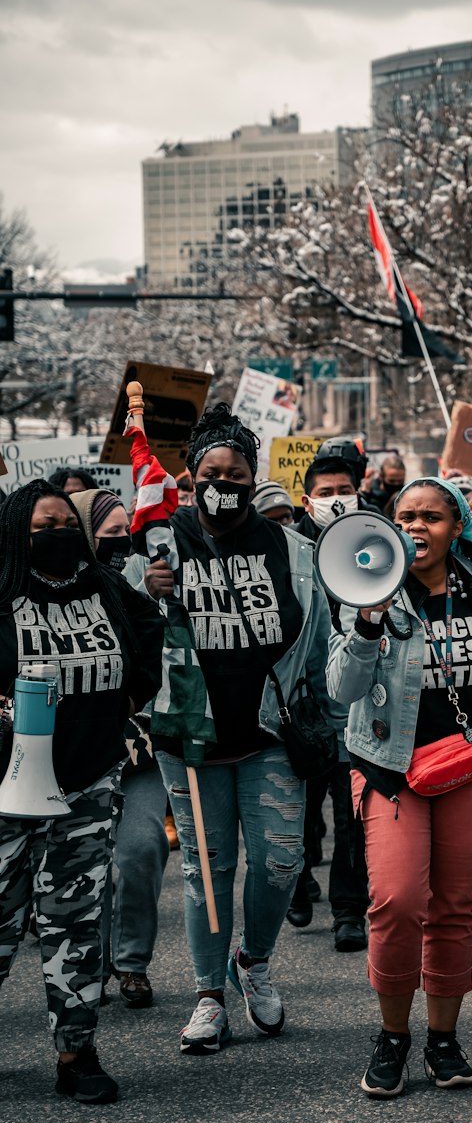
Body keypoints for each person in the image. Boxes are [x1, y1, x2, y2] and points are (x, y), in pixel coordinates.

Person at [327, 476, 472, 1098]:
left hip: (469, 766)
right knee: (398, 901)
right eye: (405, 516)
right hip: (391, 767)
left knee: (453, 908)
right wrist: (369, 624)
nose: (416, 527)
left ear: (456, 526)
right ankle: (392, 1037)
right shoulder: (365, 589)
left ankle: (441, 1039)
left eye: (432, 517)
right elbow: (341, 689)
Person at [141, 404, 336, 1055]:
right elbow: (129, 626)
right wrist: (147, 589)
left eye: (237, 473)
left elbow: (318, 641)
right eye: (211, 473)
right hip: (190, 740)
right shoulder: (161, 543)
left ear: (254, 479)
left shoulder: (291, 548)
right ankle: (208, 996)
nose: (223, 484)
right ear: (191, 478)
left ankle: (253, 960)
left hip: (270, 734)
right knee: (207, 867)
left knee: (281, 861)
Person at [0, 480, 163, 1102]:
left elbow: (149, 634)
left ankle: (77, 1051)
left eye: (67, 523)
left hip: (86, 786)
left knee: (75, 924)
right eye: (45, 525)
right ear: (19, 532)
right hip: (6, 790)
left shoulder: (106, 588)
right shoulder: (3, 587)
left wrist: (131, 695)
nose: (59, 533)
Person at [69, 489, 169, 1010]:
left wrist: (159, 596)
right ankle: (90, 963)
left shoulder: (149, 576)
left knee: (140, 852)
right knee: (84, 864)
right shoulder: (63, 589)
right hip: (82, 752)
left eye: (125, 532)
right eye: (106, 535)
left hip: (144, 750)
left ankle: (131, 963)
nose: (120, 543)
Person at [286, 443, 370, 944]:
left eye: (345, 491)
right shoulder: (290, 552)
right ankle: (295, 883)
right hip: (303, 706)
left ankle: (348, 912)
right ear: (307, 499)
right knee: (300, 808)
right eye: (326, 493)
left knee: (352, 817)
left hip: (355, 708)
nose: (337, 499)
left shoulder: (374, 544)